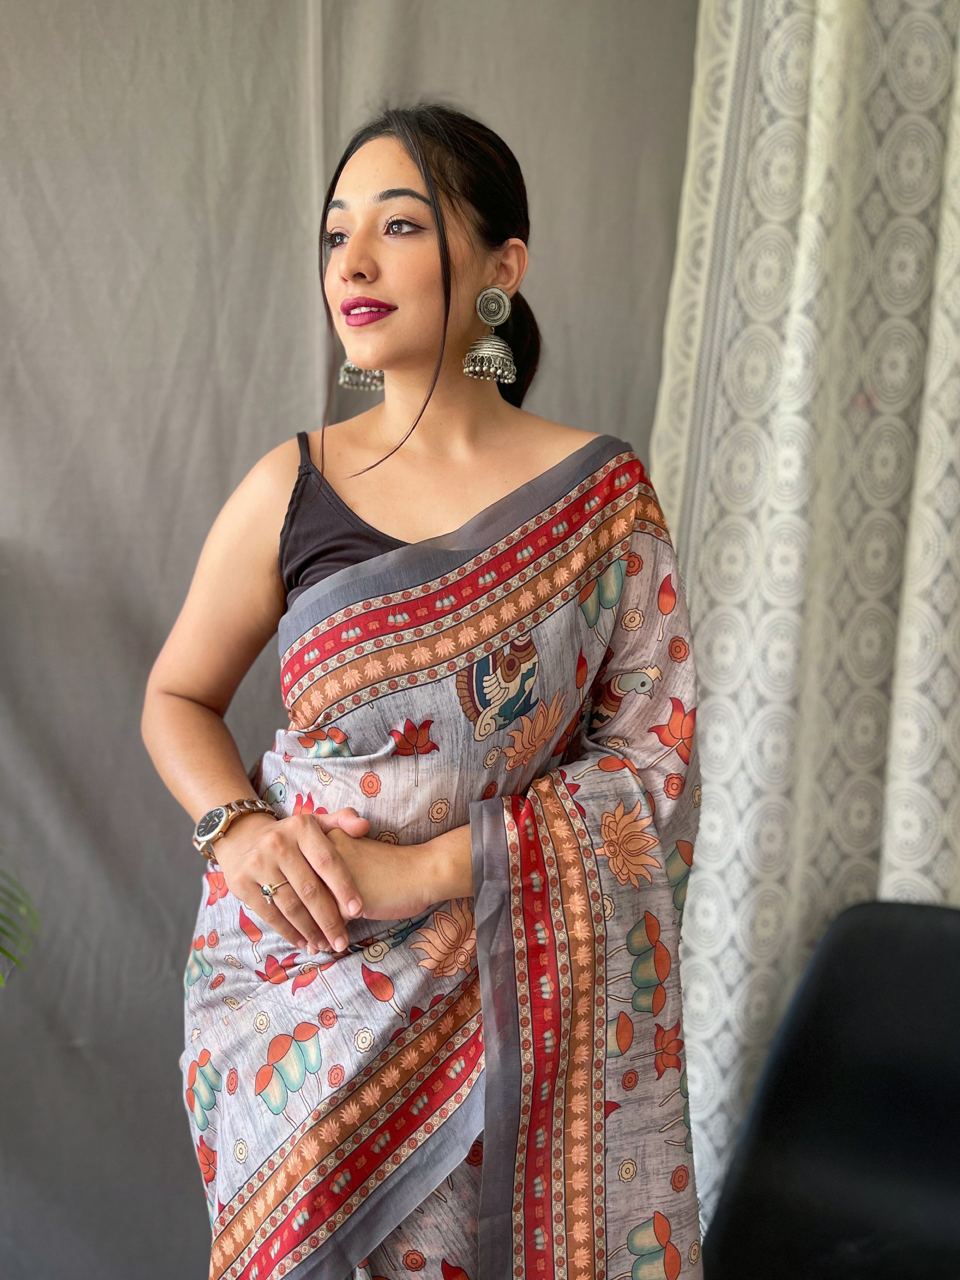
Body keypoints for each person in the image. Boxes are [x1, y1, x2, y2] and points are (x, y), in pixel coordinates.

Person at [141, 101, 703, 1280]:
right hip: (295, 993)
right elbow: (177, 696)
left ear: (503, 267)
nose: (351, 261)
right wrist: (239, 831)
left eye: (398, 225)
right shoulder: (292, 484)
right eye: (335, 232)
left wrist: (437, 870)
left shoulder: (599, 499)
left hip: (507, 994)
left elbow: (653, 762)